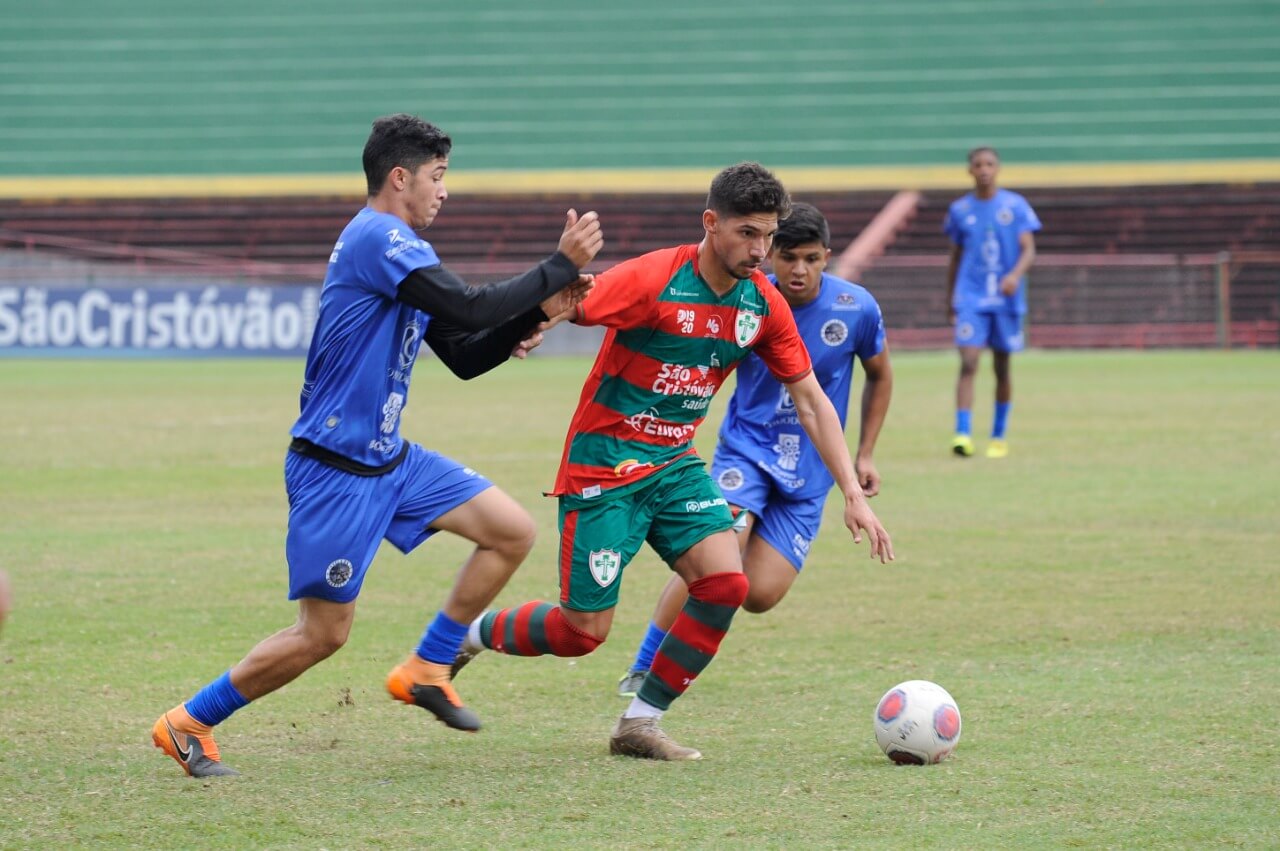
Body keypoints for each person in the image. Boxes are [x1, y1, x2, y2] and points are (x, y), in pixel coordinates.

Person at [150, 113, 604, 778]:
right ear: (400, 178)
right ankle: (188, 720)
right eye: (438, 177)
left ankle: (427, 665)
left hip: (392, 459)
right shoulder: (377, 238)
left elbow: (467, 353)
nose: (445, 191)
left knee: (510, 530)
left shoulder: (404, 256)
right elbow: (474, 306)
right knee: (323, 634)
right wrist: (559, 264)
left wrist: (540, 313)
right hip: (336, 471)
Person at [450, 164, 894, 762]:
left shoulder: (761, 302)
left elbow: (811, 400)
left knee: (726, 584)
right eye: (747, 233)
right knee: (581, 633)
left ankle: (639, 723)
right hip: (605, 465)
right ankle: (469, 636)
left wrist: (854, 493)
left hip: (674, 464)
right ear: (711, 224)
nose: (760, 250)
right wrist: (525, 327)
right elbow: (571, 301)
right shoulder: (657, 277)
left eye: (768, 234)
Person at [615, 202, 893, 698]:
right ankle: (644, 666)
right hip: (748, 452)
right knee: (719, 553)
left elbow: (881, 375)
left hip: (811, 471)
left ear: (827, 257)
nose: (799, 270)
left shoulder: (858, 309)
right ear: (771, 255)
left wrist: (865, 454)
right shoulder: (749, 300)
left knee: (760, 595)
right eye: (788, 258)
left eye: (811, 258)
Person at [945, 146, 1040, 458]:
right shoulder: (960, 210)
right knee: (969, 362)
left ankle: (998, 435)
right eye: (978, 164)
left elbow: (1029, 249)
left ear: (997, 168)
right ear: (970, 170)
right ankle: (963, 434)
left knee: (1002, 367)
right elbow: (956, 257)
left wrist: (1014, 275)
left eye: (989, 164)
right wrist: (951, 298)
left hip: (1006, 300)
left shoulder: (1015, 206)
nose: (984, 169)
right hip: (971, 297)